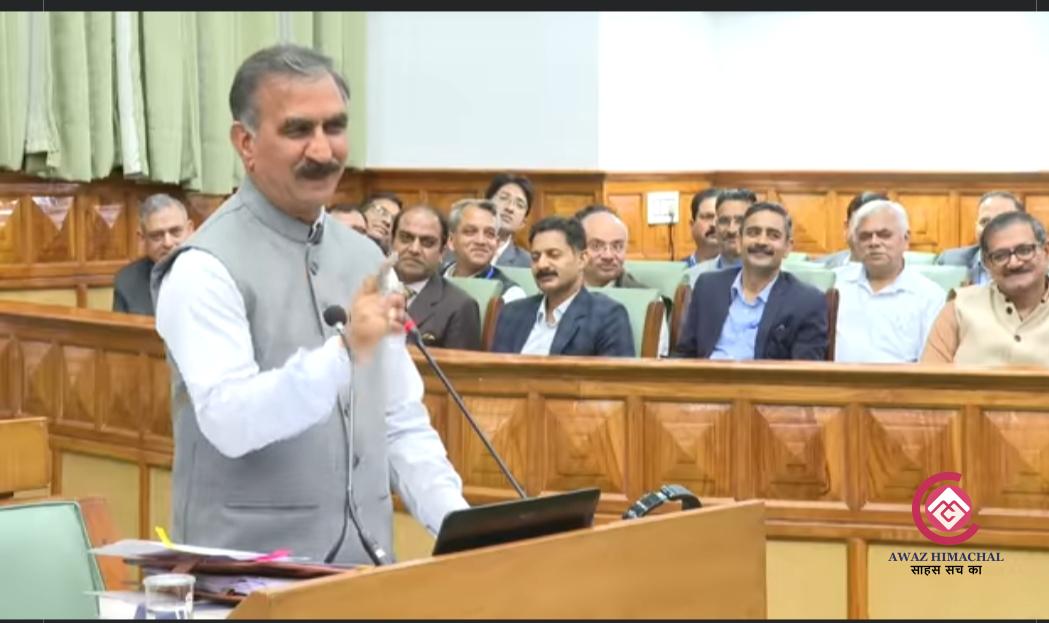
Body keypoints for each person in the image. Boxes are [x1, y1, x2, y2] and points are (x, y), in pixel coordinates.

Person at [151, 44, 468, 565]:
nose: (323, 151)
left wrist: (459, 524)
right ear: (246, 143)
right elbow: (231, 422)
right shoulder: (203, 267)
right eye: (298, 130)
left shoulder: (367, 258)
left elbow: (398, 419)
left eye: (335, 127)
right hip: (248, 584)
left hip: (365, 573)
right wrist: (343, 354)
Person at [676, 202, 828, 360]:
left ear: (787, 247)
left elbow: (805, 371)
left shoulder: (807, 302)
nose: (761, 241)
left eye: (773, 235)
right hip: (705, 375)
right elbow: (684, 355)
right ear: (740, 241)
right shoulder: (708, 287)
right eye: (753, 233)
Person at [491, 216, 634, 357]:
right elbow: (493, 369)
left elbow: (615, 373)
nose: (542, 265)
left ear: (582, 259)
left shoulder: (607, 316)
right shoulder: (512, 313)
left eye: (553, 255)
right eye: (535, 257)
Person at [921, 211, 1049, 366]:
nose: (1014, 263)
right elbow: (929, 377)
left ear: (1046, 252)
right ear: (987, 264)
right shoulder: (958, 307)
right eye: (1000, 256)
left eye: (1024, 250)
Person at [833, 200, 945, 363]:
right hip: (836, 378)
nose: (874, 243)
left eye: (884, 235)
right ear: (855, 242)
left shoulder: (930, 296)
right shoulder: (834, 285)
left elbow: (931, 363)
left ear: (906, 239)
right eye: (865, 236)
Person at [574, 204, 669, 356]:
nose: (608, 256)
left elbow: (658, 361)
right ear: (577, 249)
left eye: (617, 246)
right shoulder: (559, 293)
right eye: (596, 246)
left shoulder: (650, 301)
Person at [392, 205, 482, 350]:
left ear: (442, 252)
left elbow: (460, 365)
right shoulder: (365, 289)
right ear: (391, 242)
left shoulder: (460, 306)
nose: (414, 249)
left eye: (427, 242)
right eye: (406, 238)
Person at [112, 193, 194, 316]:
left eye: (175, 232)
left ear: (190, 230)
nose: (168, 243)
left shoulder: (210, 272)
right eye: (157, 236)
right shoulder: (127, 280)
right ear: (142, 238)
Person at [442, 198, 526, 303]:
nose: (480, 241)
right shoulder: (431, 280)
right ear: (451, 240)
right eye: (470, 232)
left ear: (497, 244)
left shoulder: (510, 295)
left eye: (489, 234)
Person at [935, 191, 1025, 286]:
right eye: (984, 222)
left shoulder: (1030, 267)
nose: (991, 229)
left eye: (1002, 221)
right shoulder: (950, 261)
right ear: (976, 226)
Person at [686, 188, 757, 287]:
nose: (731, 230)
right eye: (724, 221)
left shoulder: (775, 276)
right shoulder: (693, 278)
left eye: (740, 221)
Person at [820, 191, 889, 269]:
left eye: (882, 231)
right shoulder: (818, 269)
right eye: (861, 227)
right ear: (846, 228)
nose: (873, 241)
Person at [485, 173, 534, 268]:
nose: (510, 208)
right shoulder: (459, 252)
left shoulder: (528, 264)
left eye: (519, 205)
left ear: (523, 223)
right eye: (503, 198)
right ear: (486, 206)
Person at [684, 188, 721, 267]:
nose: (714, 224)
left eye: (722, 218)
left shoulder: (744, 271)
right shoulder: (677, 271)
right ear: (692, 225)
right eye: (708, 217)